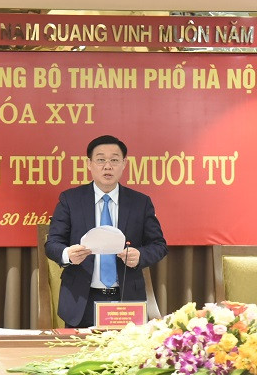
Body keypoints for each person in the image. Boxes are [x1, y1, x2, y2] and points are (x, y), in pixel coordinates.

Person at [45, 135, 168, 328]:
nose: (107, 166)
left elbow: (159, 245)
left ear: (124, 164)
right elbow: (52, 244)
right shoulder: (70, 200)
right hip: (82, 301)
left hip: (126, 300)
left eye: (114, 160)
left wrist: (140, 255)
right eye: (101, 160)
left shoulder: (140, 202)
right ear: (89, 164)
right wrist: (67, 254)